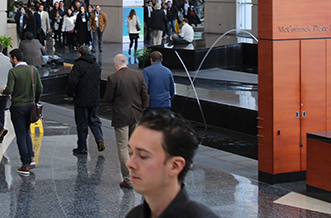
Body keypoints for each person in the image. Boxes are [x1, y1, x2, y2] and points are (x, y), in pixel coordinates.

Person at [125, 111, 218, 218]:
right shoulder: (134, 215)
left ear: (175, 166)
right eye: (131, 153)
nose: (130, 163)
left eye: (143, 156)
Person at [105, 54, 149, 189]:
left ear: (116, 64)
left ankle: (128, 178)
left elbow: (108, 98)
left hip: (121, 116)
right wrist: (141, 109)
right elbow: (144, 96)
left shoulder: (113, 78)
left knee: (123, 147)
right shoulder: (138, 75)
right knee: (135, 147)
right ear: (126, 63)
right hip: (136, 115)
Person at [1, 48, 42, 176]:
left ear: (14, 58)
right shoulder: (33, 69)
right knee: (26, 132)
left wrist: (4, 91)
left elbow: (10, 89)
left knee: (20, 135)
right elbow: (40, 88)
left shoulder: (13, 72)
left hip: (18, 107)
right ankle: (31, 157)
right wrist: (35, 100)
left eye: (10, 58)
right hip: (30, 106)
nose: (10, 60)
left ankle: (25, 165)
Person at [66, 45, 104, 155]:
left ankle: (82, 147)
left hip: (81, 99)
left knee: (82, 123)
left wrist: (70, 93)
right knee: (94, 119)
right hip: (94, 98)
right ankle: (99, 139)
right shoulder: (96, 65)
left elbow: (73, 81)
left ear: (80, 54)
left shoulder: (78, 65)